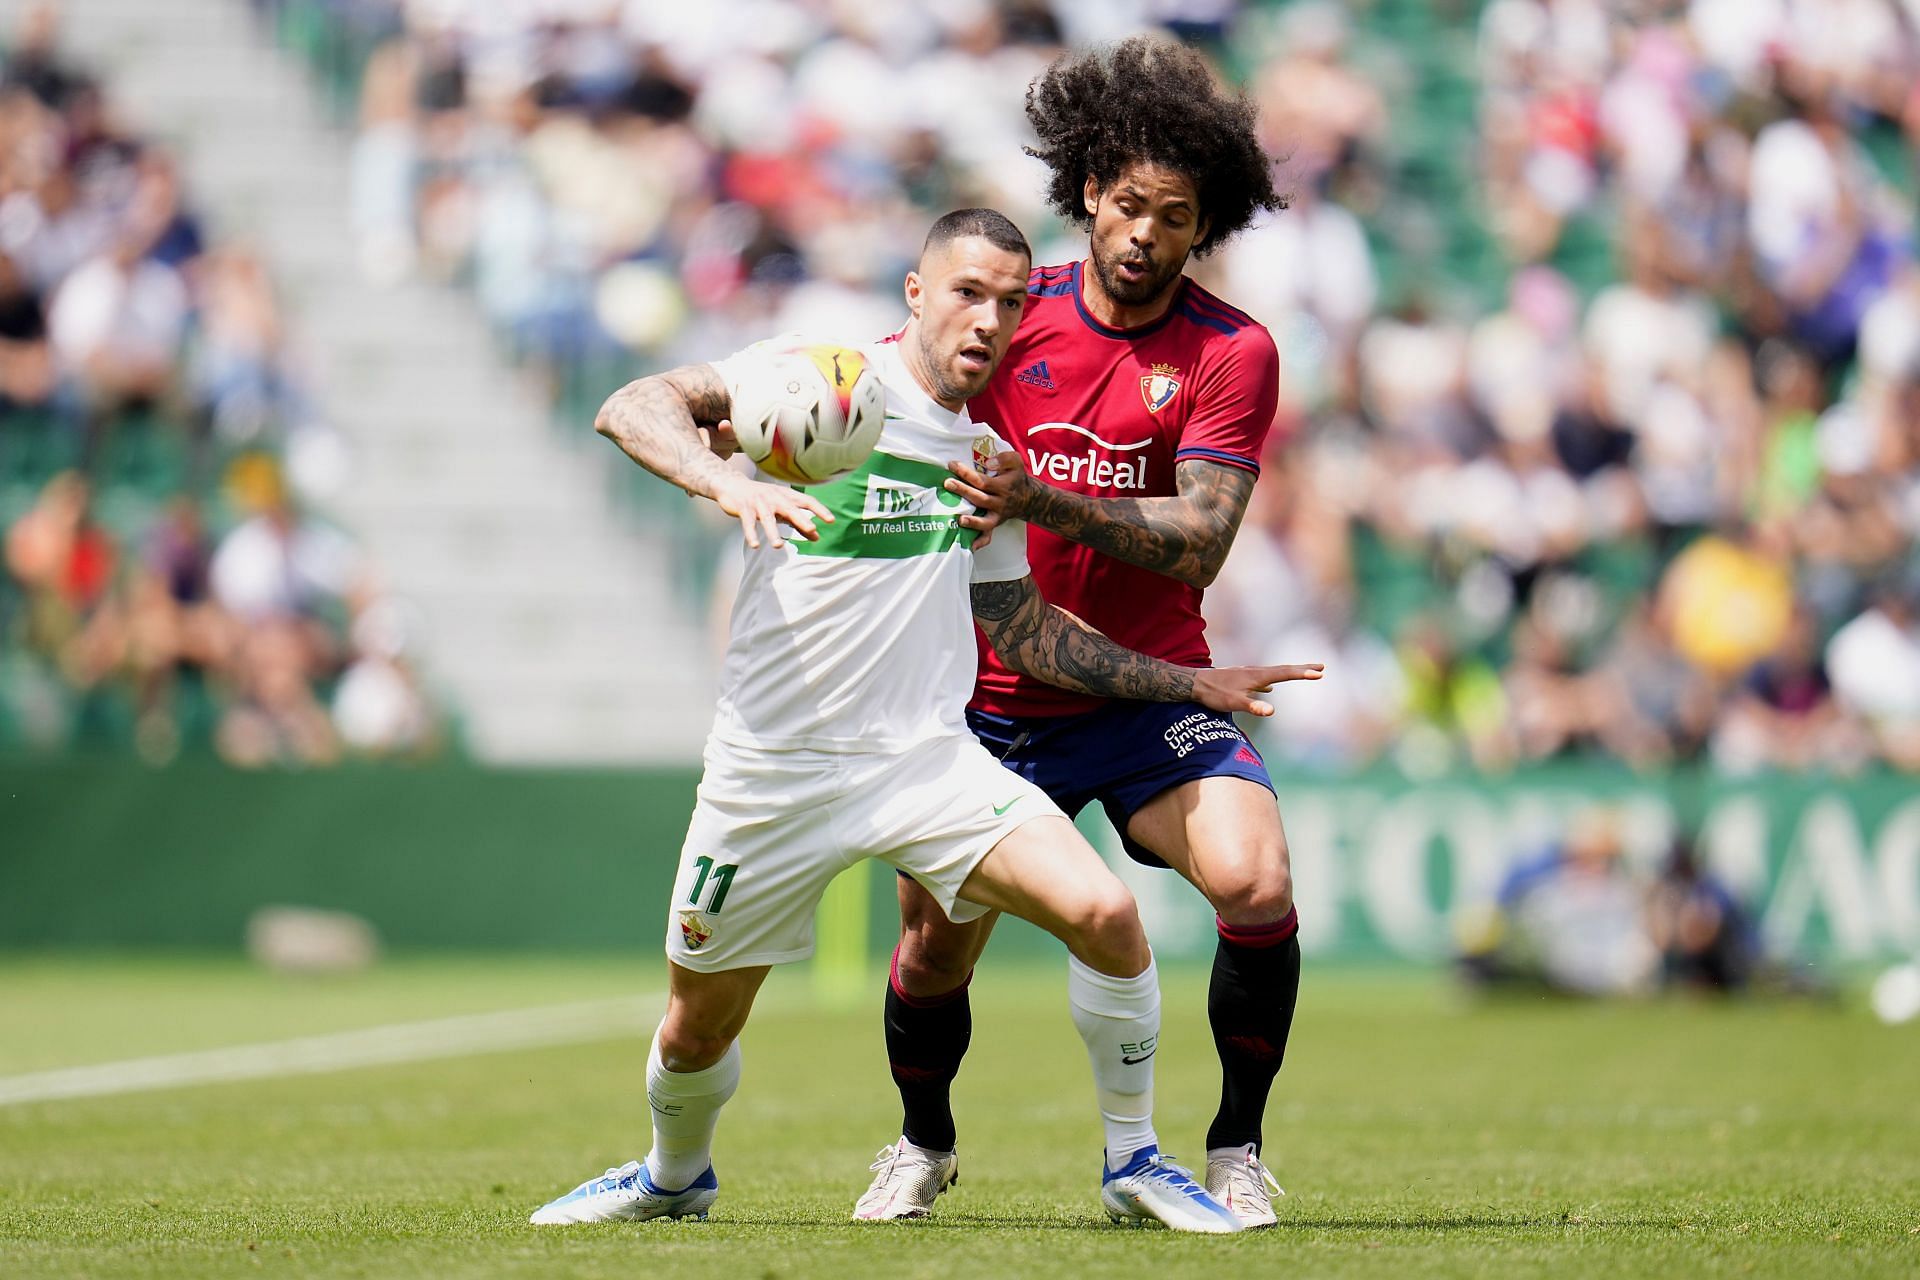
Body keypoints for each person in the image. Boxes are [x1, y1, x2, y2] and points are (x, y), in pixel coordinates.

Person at [527, 209, 1321, 1232]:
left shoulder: (981, 452)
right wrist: (723, 480)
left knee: (1110, 918)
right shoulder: (818, 380)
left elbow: (1022, 627)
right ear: (915, 292)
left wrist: (1182, 682)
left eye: (1004, 301)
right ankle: (674, 1172)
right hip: (772, 769)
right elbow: (633, 404)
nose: (986, 320)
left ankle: (1135, 1158)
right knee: (691, 1029)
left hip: (926, 762)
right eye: (965, 293)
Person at [856, 38, 1304, 1229]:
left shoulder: (1231, 351)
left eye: (1176, 215)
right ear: (1090, 190)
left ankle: (1236, 1144)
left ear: (1204, 225)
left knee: (1255, 879)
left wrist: (1041, 495)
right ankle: (924, 1138)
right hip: (987, 696)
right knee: (933, 947)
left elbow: (1198, 538)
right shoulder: (1011, 316)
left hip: (1144, 694)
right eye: (1128, 204)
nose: (1146, 233)